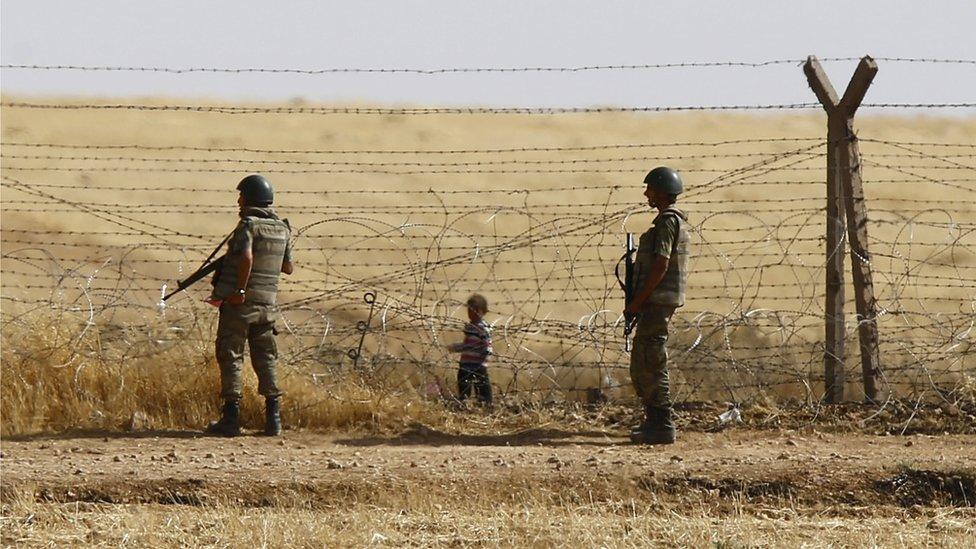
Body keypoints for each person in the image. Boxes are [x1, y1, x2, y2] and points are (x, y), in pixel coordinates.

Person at [206, 174, 294, 437]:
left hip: (241, 305)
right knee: (266, 358)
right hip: (266, 305)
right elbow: (287, 267)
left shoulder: (248, 226)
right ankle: (273, 418)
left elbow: (245, 257)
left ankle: (231, 418)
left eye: (241, 196)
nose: (238, 200)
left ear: (249, 199)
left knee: (231, 354)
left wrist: (240, 290)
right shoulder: (282, 229)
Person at [624, 167, 690, 445]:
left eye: (650, 188)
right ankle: (655, 420)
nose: (646, 193)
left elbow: (661, 264)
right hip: (656, 301)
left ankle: (662, 424)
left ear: (662, 191)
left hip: (656, 301)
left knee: (652, 358)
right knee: (644, 357)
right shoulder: (667, 221)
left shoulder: (667, 222)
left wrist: (637, 302)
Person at [447, 294, 494, 405]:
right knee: (463, 384)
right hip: (465, 363)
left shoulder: (482, 327)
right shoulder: (469, 327)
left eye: (474, 310)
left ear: (483, 311)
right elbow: (467, 345)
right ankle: (464, 402)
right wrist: (455, 348)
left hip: (478, 364)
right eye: (469, 310)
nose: (471, 313)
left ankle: (486, 403)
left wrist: (485, 358)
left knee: (482, 386)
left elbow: (487, 344)